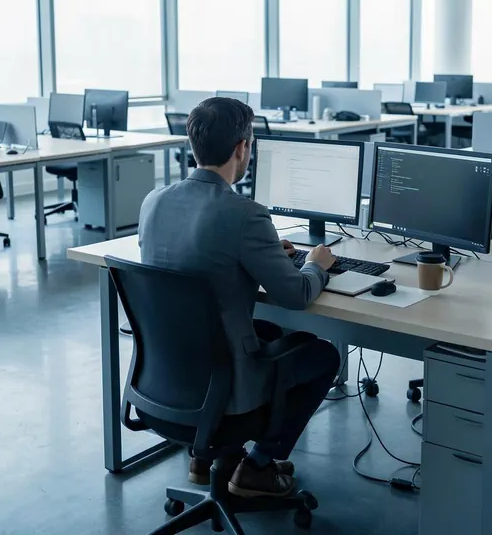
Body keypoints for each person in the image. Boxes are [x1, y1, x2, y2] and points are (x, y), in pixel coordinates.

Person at [137, 97, 340, 499]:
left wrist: (262, 254)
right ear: (242, 148)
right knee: (323, 355)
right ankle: (258, 465)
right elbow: (297, 295)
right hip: (225, 390)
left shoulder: (153, 201)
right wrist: (316, 263)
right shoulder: (245, 215)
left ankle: (202, 458)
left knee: (264, 328)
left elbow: (193, 264)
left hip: (164, 381)